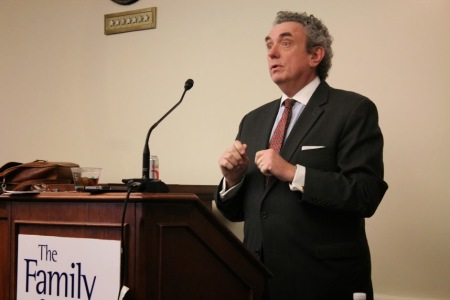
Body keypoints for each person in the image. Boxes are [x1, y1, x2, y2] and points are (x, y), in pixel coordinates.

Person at [215, 11, 388, 300]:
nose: (271, 53)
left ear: (315, 55)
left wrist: (294, 173)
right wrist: (232, 180)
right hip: (258, 281)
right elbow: (236, 213)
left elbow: (365, 194)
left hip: (323, 282)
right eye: (268, 45)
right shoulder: (253, 120)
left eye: (284, 43)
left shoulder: (352, 110)